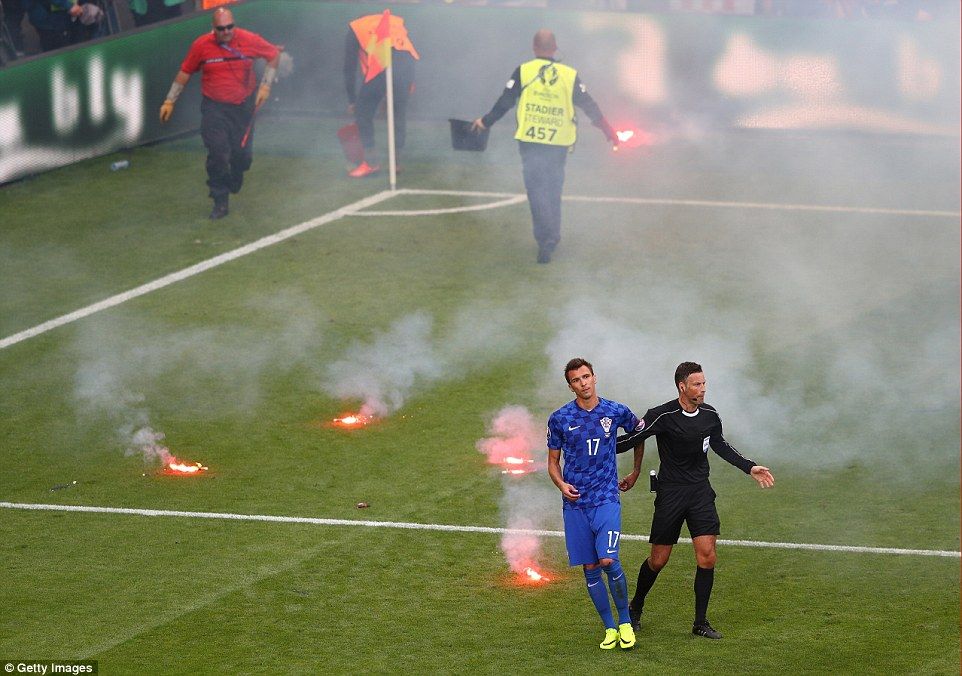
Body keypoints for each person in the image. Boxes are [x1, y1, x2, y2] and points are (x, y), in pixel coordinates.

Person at [616, 361, 775, 640]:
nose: (702, 389)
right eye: (697, 385)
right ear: (682, 386)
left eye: (704, 384)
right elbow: (633, 438)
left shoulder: (710, 415)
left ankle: (700, 622)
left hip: (700, 492)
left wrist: (749, 467)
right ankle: (636, 606)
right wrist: (592, 444)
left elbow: (721, 445)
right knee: (658, 560)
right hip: (671, 493)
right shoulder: (662, 415)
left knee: (707, 557)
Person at [472, 29, 617, 264]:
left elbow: (505, 102)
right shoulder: (569, 75)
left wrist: (485, 121)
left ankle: (545, 240)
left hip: (530, 141)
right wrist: (608, 131)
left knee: (536, 191)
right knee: (552, 189)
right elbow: (589, 105)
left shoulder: (523, 71)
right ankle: (552, 236)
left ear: (534, 48)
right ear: (555, 48)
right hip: (558, 142)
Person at [547, 357, 645, 650]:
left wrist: (636, 471)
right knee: (590, 566)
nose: (583, 383)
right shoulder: (560, 418)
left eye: (586, 377)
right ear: (570, 385)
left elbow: (640, 432)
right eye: (576, 380)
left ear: (594, 377)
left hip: (605, 498)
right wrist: (562, 484)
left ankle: (626, 622)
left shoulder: (615, 411)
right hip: (576, 505)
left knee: (608, 560)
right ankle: (609, 628)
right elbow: (552, 463)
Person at [158, 7, 280, 219]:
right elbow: (185, 72)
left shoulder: (249, 39)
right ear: (213, 29)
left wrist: (266, 85)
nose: (226, 32)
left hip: (243, 106)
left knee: (242, 157)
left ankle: (237, 172)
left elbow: (273, 55)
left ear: (234, 25)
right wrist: (170, 100)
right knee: (218, 153)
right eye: (221, 28)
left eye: (229, 27)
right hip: (215, 107)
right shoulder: (201, 45)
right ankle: (220, 200)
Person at [343, 11, 418, 178]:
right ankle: (396, 163)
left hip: (382, 62)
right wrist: (410, 82)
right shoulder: (393, 21)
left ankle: (371, 162)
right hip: (406, 65)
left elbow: (349, 68)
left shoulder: (355, 28)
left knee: (363, 112)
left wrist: (352, 101)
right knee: (398, 113)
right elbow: (409, 50)